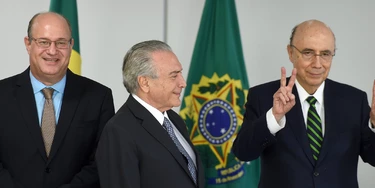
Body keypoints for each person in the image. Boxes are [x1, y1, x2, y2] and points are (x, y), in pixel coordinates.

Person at [232, 19, 375, 188]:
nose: (317, 64)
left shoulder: (354, 100)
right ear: (290, 53)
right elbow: (243, 152)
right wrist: (274, 117)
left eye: (325, 54)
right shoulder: (262, 96)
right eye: (308, 52)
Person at [0, 12, 115, 188]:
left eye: (61, 42)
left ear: (71, 45)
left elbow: (102, 161)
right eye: (44, 42)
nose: (52, 51)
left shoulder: (99, 97)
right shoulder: (2, 94)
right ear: (28, 44)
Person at [96, 40, 205, 188]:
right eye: (174, 76)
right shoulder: (119, 130)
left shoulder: (174, 119)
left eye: (180, 73)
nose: (183, 83)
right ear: (145, 83)